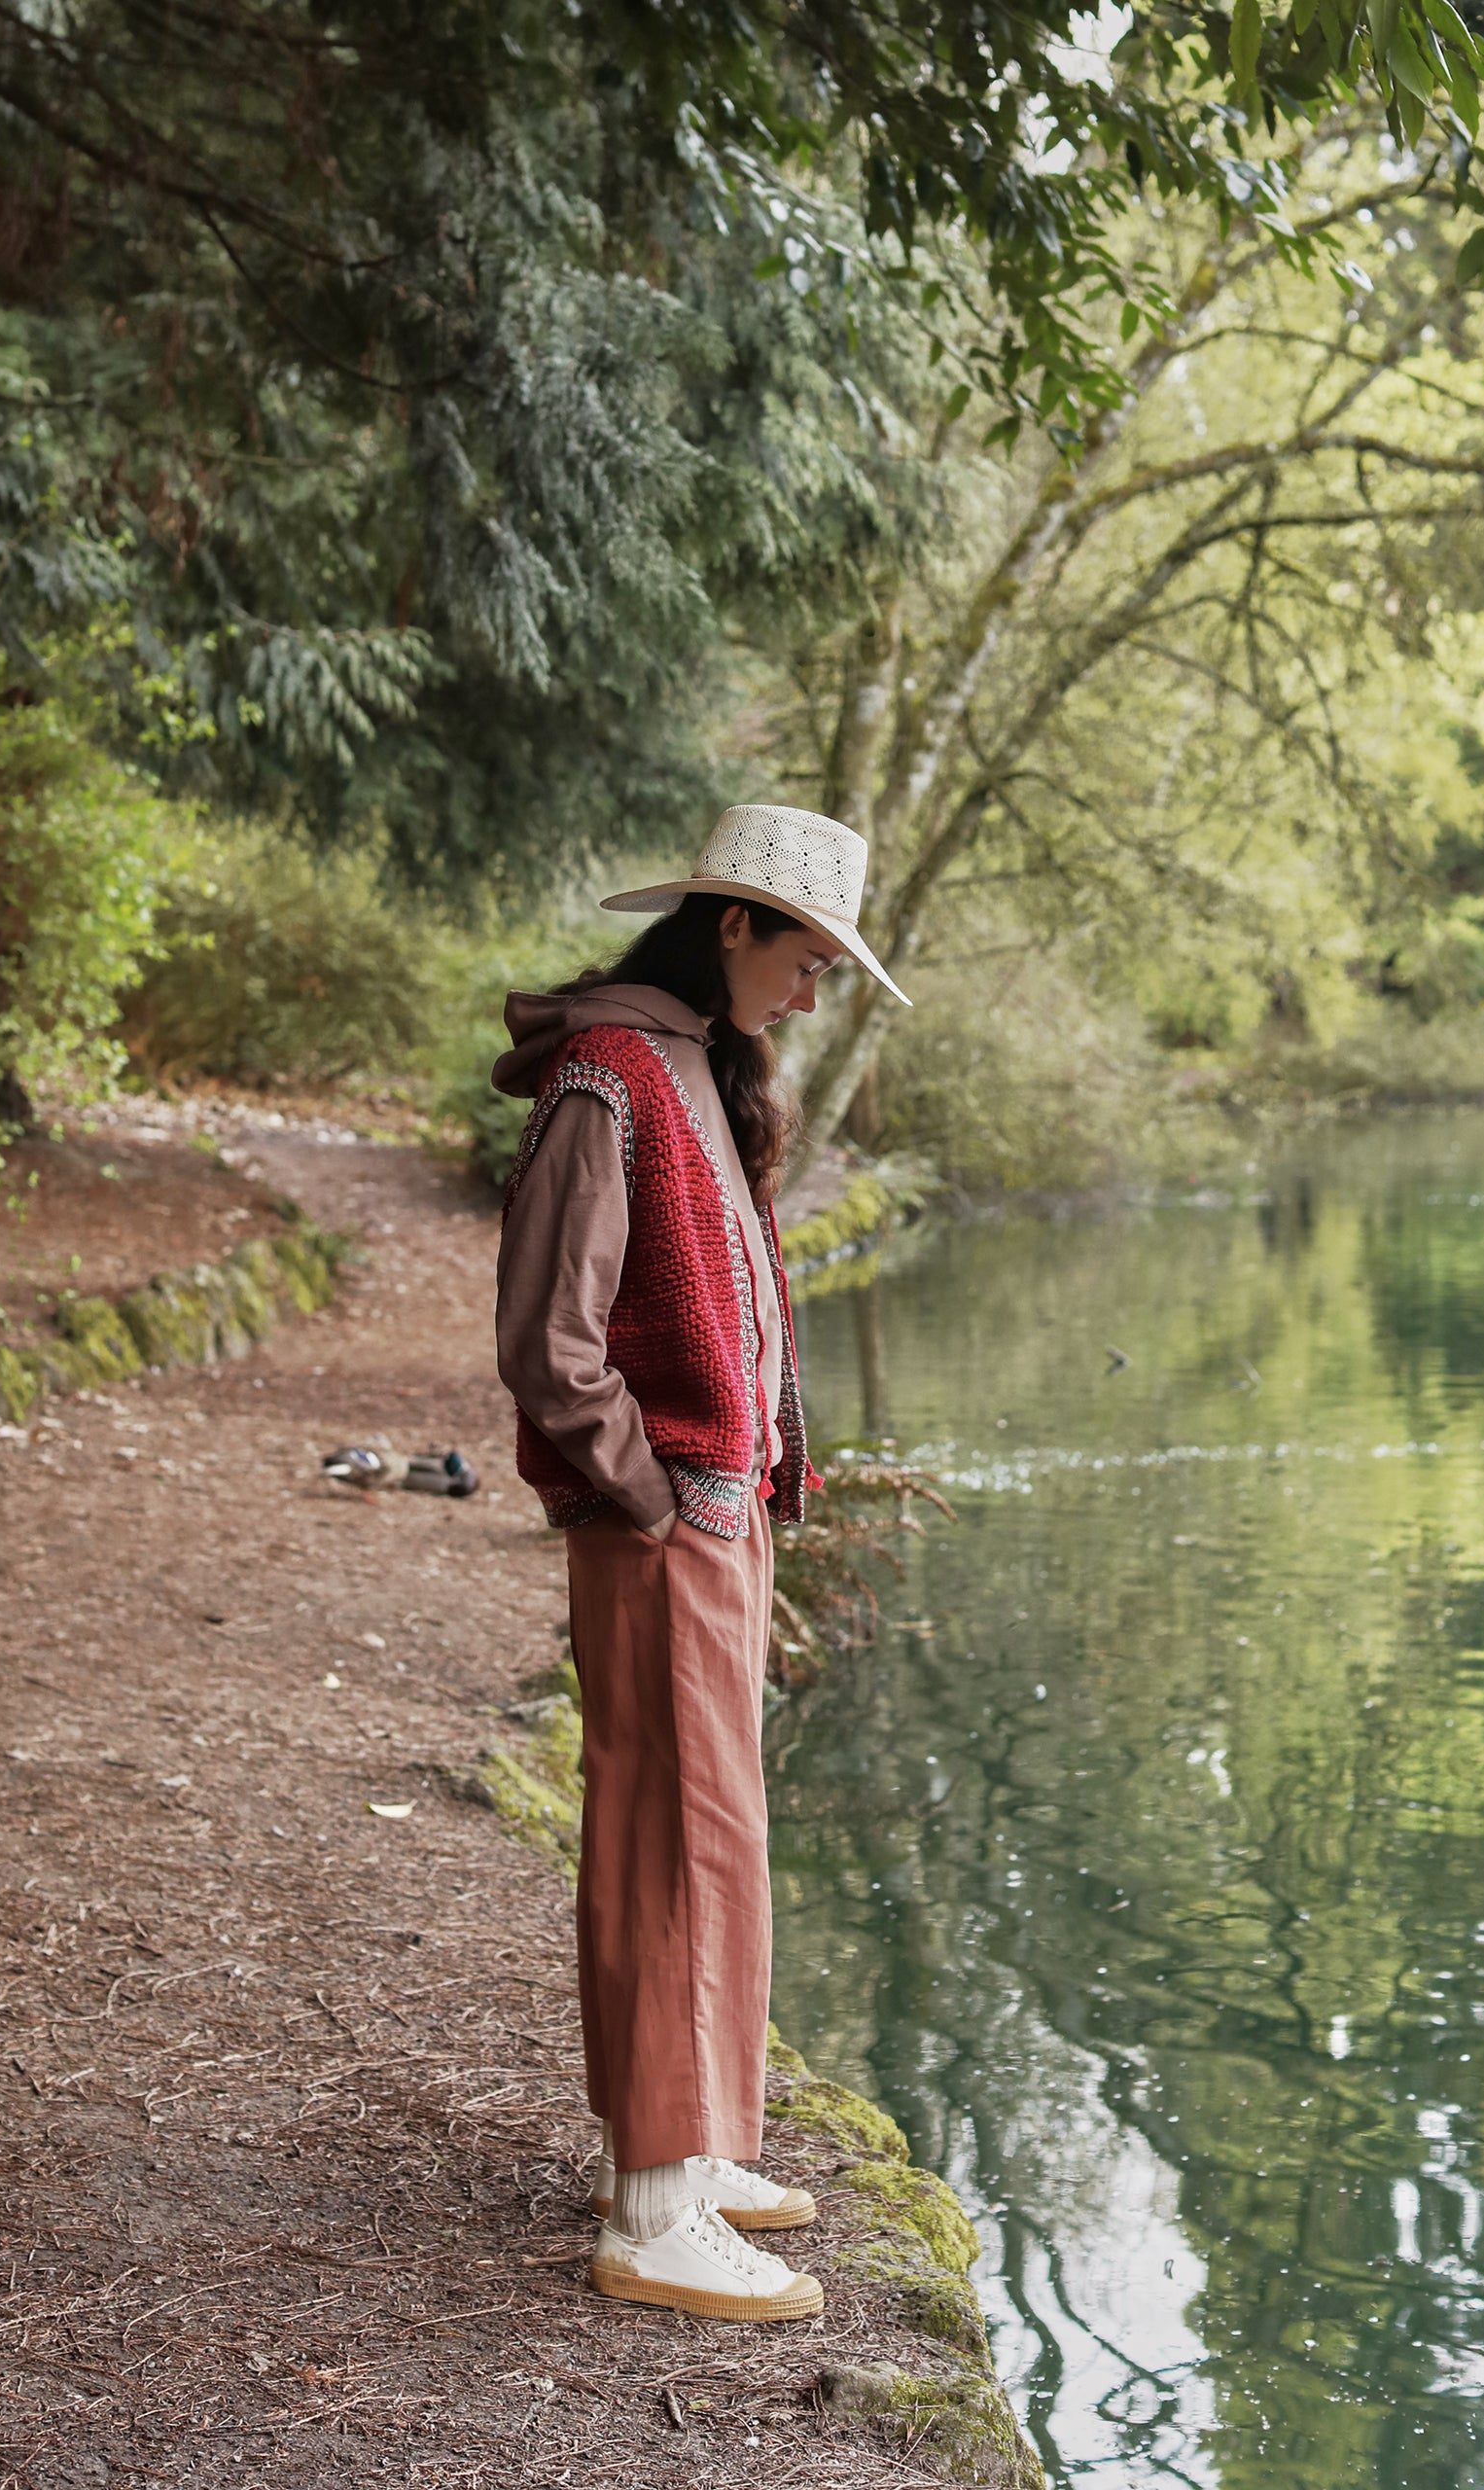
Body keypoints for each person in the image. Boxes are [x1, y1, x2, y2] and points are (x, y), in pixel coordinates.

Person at [491, 803, 909, 2322]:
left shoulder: (690, 1070)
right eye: (808, 958)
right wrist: (649, 1497)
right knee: (667, 1829)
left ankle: (693, 2147)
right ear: (733, 926)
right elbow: (548, 1335)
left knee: (715, 1825)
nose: (813, 992)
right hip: (664, 1520)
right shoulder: (615, 1076)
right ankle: (654, 2211)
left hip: (713, 1520)